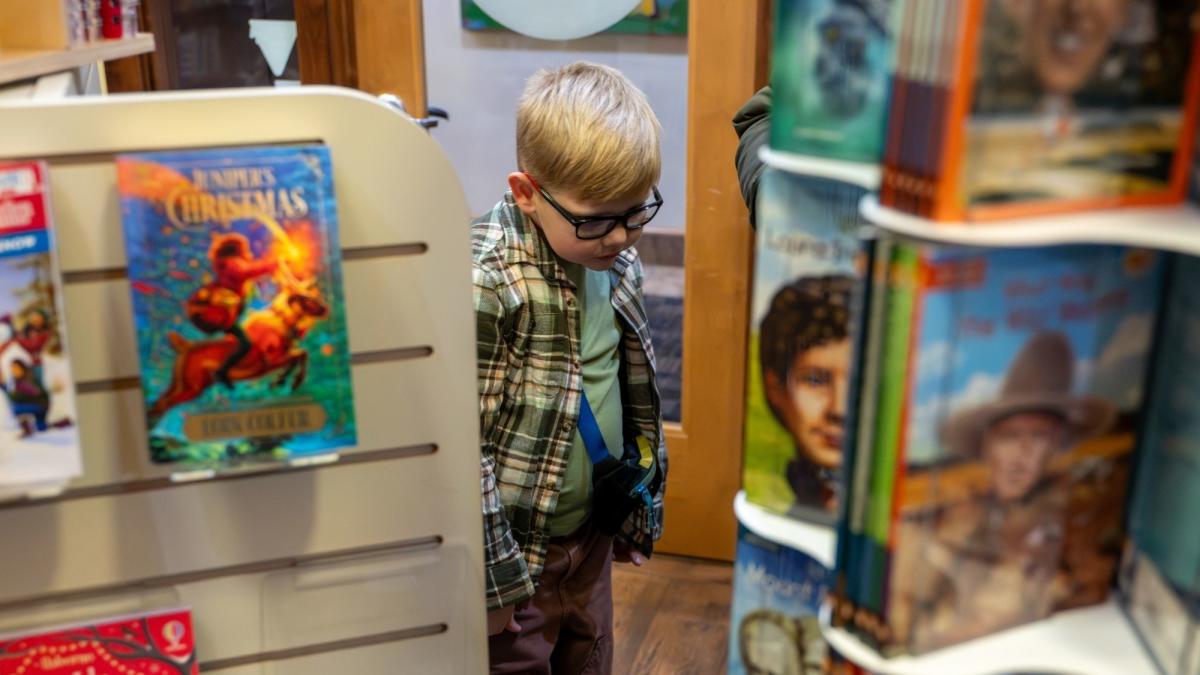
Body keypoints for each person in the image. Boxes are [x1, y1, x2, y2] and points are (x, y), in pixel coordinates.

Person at [472, 62, 668, 674]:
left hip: (589, 536)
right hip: (519, 554)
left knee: (591, 655)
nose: (620, 238)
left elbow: (634, 392)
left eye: (637, 213)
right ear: (527, 192)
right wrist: (491, 583)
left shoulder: (615, 259)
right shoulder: (484, 282)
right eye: (596, 220)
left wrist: (637, 513)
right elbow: (459, 451)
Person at [888, 331, 1114, 651]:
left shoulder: (1074, 521)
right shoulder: (944, 519)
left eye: (1037, 438)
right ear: (987, 445)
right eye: (1009, 437)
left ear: (1055, 445)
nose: (1021, 455)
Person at [758, 275, 854, 516]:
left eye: (859, 381)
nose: (840, 409)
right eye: (815, 379)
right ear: (776, 388)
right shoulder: (773, 499)